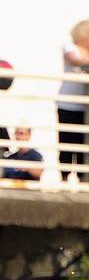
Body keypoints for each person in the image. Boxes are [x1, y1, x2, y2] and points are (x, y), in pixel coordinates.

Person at [58, 19, 89, 184]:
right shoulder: (70, 47)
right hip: (68, 106)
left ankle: (84, 182)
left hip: (86, 109)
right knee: (67, 146)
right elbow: (75, 59)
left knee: (84, 148)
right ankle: (64, 180)